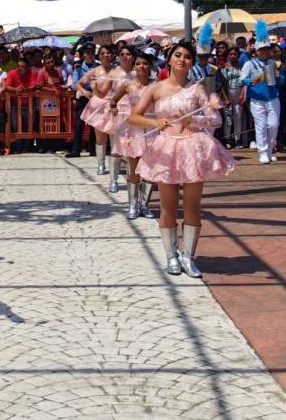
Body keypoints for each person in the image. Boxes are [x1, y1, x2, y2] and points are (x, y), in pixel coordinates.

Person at [130, 42, 235, 278]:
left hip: (193, 149)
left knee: (192, 206)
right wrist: (155, 122)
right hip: (165, 148)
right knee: (168, 206)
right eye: (178, 55)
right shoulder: (156, 89)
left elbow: (215, 119)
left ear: (192, 62)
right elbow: (134, 117)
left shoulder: (197, 89)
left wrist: (195, 121)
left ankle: (189, 257)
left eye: (188, 57)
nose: (182, 60)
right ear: (169, 59)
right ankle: (171, 256)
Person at [109, 52, 155, 219]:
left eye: (145, 63)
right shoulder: (128, 84)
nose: (141, 67)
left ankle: (144, 204)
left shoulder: (157, 85)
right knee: (133, 168)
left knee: (150, 169)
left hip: (151, 129)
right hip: (133, 130)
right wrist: (113, 107)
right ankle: (133, 205)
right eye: (138, 64)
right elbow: (113, 99)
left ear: (150, 66)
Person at [241, 34, 285, 164]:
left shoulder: (274, 63)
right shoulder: (249, 64)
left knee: (273, 125)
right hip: (256, 99)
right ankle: (263, 152)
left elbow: (281, 81)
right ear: (257, 50)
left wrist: (278, 77)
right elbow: (242, 79)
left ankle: (270, 149)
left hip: (273, 98)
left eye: (267, 49)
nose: (265, 51)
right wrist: (253, 81)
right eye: (262, 49)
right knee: (260, 126)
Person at [99, 45, 137, 192]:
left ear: (133, 56)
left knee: (132, 148)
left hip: (134, 113)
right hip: (118, 112)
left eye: (128, 54)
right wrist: (95, 88)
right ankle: (113, 180)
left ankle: (132, 179)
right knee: (116, 147)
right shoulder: (114, 73)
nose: (125, 56)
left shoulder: (137, 73)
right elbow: (104, 93)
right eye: (122, 54)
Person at [78, 45, 117, 176]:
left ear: (112, 55)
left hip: (113, 105)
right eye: (103, 53)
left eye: (108, 53)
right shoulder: (95, 71)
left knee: (114, 138)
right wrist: (85, 91)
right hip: (98, 106)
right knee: (100, 138)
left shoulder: (117, 71)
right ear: (99, 56)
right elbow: (78, 83)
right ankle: (101, 164)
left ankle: (114, 168)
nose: (106, 55)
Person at [67, 44, 99, 158]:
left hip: (96, 96)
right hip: (84, 96)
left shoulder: (98, 67)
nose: (90, 55)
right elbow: (75, 84)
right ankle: (76, 150)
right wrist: (85, 90)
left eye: (92, 52)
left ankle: (93, 149)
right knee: (79, 123)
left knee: (94, 124)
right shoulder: (79, 67)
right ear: (84, 55)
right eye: (88, 53)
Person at [220, 47, 248, 149]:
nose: (233, 56)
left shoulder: (242, 67)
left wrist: (243, 94)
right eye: (231, 54)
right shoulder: (224, 68)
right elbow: (222, 84)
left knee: (238, 117)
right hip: (227, 95)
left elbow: (245, 82)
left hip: (238, 95)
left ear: (238, 55)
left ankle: (237, 139)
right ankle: (227, 139)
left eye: (235, 54)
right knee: (228, 119)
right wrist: (225, 97)